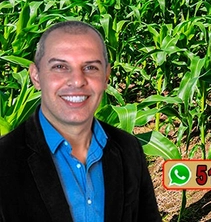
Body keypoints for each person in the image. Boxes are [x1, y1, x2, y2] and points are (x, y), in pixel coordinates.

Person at [0, 20, 161, 222]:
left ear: (106, 76)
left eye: (91, 67)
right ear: (36, 76)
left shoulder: (129, 150)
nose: (77, 81)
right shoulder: (5, 160)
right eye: (60, 66)